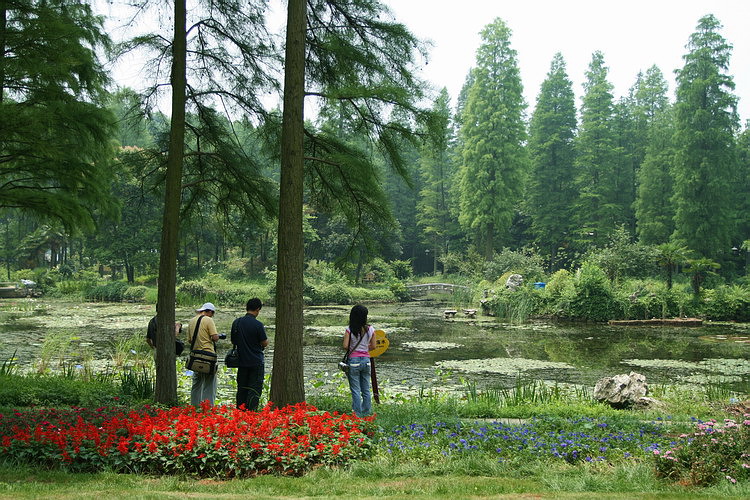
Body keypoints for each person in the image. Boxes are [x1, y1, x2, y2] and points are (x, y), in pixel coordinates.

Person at [230, 298, 269, 411]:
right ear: (257, 309)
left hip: (241, 361)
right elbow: (264, 343)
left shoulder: (236, 323)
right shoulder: (258, 324)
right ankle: (251, 413)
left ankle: (240, 412)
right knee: (254, 389)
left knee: (241, 389)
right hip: (256, 361)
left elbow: (233, 341)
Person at [342, 304, 377, 417]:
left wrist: (355, 349)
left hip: (354, 361)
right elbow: (374, 346)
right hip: (366, 361)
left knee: (356, 390)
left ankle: (357, 414)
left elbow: (345, 346)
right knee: (366, 389)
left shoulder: (349, 329)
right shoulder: (370, 329)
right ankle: (366, 413)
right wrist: (364, 349)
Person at [187, 302, 220, 406]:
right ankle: (207, 408)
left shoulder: (191, 321)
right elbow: (214, 337)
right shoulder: (208, 320)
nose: (212, 316)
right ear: (209, 311)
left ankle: (194, 406)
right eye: (212, 314)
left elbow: (189, 340)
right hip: (208, 356)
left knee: (197, 382)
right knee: (210, 383)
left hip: (195, 356)